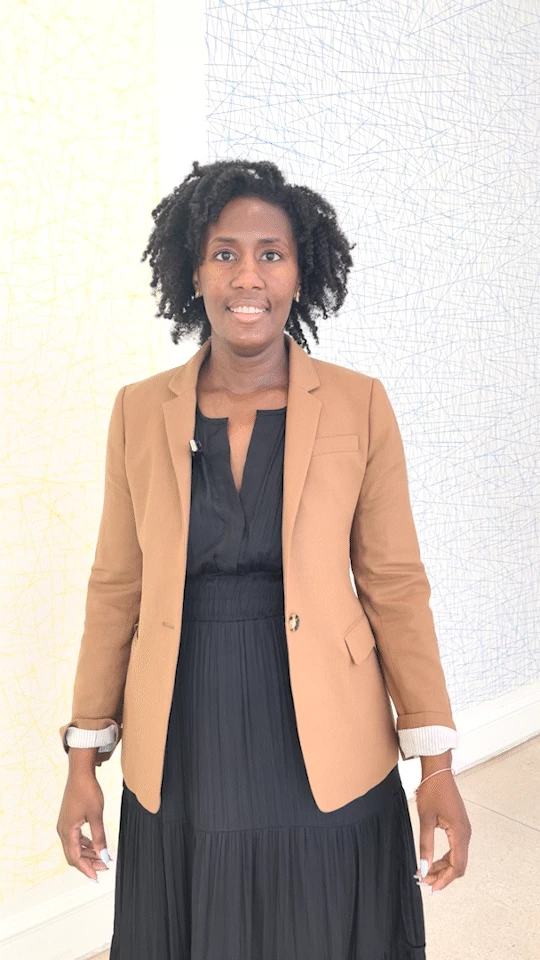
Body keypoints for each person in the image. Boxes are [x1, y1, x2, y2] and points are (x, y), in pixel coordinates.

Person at [57, 158, 471, 959]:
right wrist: (83, 760)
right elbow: (115, 587)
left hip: (327, 731)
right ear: (193, 271)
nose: (248, 276)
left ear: (300, 272)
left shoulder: (359, 403)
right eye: (225, 253)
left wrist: (438, 768)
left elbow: (394, 586)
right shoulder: (139, 412)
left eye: (271, 254)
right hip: (185, 732)